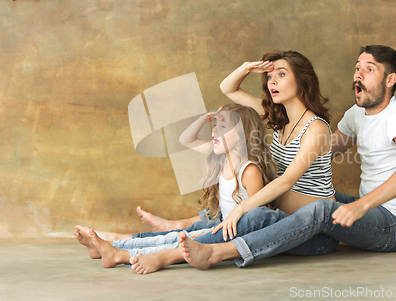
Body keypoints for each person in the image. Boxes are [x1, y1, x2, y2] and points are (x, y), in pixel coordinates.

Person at [178, 44, 396, 270]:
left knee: (318, 208)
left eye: (369, 69)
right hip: (369, 206)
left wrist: (359, 206)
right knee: (310, 198)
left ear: (390, 80)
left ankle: (219, 251)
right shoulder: (356, 114)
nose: (358, 75)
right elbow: (327, 150)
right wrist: (248, 67)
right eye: (357, 68)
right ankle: (191, 226)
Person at [127, 50, 338, 274]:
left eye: (281, 75)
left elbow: (286, 182)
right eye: (269, 76)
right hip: (277, 218)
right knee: (231, 215)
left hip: (313, 233)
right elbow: (228, 88)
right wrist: (247, 67)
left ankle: (165, 255)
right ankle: (147, 238)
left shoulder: (316, 127)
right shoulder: (278, 118)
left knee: (245, 215)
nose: (272, 82)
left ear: (303, 80)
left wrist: (241, 209)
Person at [74, 104, 275, 270]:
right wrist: (204, 118)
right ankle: (107, 246)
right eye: (214, 125)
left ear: (244, 135)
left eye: (222, 127)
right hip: (219, 225)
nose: (214, 131)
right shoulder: (222, 158)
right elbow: (185, 139)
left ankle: (119, 254)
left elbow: (255, 216)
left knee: (171, 242)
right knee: (168, 238)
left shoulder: (249, 170)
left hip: (229, 233)